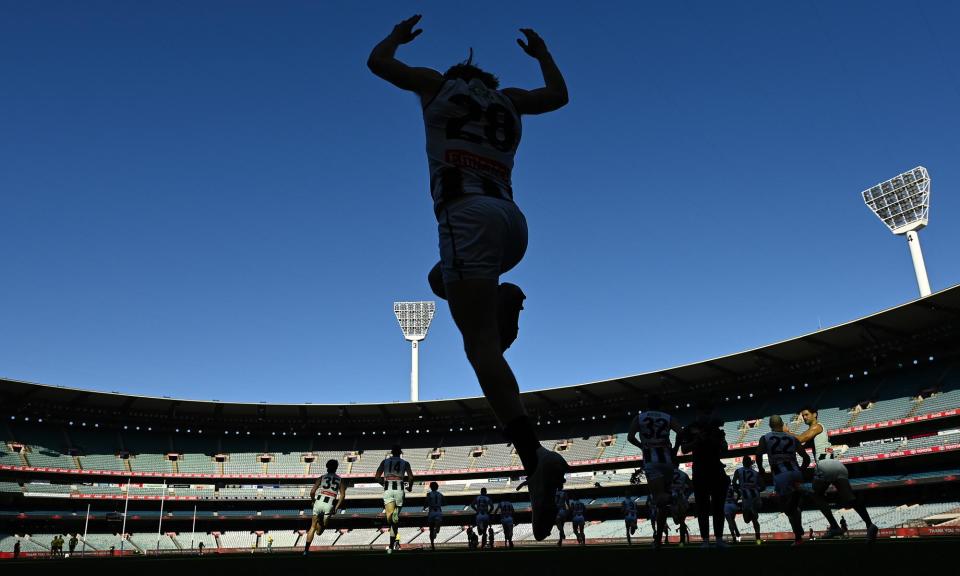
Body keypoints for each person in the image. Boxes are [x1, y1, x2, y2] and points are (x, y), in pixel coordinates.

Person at [367, 15, 570, 541]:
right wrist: (543, 53)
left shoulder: (438, 85)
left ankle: (534, 457)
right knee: (440, 279)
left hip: (465, 215)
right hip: (512, 223)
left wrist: (396, 36)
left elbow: (378, 64)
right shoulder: (511, 101)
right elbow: (558, 95)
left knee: (480, 351)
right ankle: (500, 295)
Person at [792, 406, 879, 542]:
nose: (804, 417)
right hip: (837, 465)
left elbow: (800, 439)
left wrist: (785, 432)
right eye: (802, 415)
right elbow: (802, 445)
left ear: (815, 415)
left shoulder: (816, 427)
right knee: (850, 499)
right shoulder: (817, 431)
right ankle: (870, 525)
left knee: (816, 494)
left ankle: (834, 526)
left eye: (806, 414)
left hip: (825, 465)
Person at [627, 395, 684, 547]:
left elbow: (630, 437)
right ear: (660, 406)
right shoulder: (668, 417)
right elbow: (681, 432)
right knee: (662, 503)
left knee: (659, 499)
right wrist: (675, 449)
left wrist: (642, 446)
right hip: (667, 461)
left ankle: (674, 500)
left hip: (651, 461)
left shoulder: (639, 418)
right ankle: (658, 539)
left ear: (647, 405)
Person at [679, 401, 729, 547]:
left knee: (718, 506)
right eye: (704, 412)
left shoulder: (716, 428)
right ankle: (705, 540)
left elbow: (725, 448)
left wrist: (718, 442)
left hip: (716, 468)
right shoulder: (690, 428)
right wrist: (697, 441)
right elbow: (684, 449)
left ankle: (719, 539)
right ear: (698, 413)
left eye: (709, 412)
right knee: (702, 506)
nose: (707, 415)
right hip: (700, 469)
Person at [756, 414, 810, 546]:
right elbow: (806, 458)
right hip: (796, 472)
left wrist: (761, 470)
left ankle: (798, 537)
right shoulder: (793, 438)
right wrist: (801, 469)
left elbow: (758, 455)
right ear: (782, 424)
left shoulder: (765, 438)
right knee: (796, 506)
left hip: (781, 475)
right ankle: (798, 529)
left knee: (787, 508)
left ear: (770, 426)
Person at [375, 445, 414, 553]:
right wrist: (410, 487)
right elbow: (411, 477)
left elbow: (377, 476)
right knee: (394, 522)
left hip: (388, 487)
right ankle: (391, 545)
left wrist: (383, 483)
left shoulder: (384, 462)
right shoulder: (405, 463)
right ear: (400, 453)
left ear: (392, 452)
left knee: (389, 519)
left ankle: (392, 517)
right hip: (400, 488)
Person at [304, 459, 347, 555]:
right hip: (329, 503)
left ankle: (306, 551)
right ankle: (321, 522)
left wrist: (313, 501)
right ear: (336, 468)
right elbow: (343, 495)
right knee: (319, 532)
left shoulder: (321, 477)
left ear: (327, 467)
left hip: (319, 501)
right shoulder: (340, 480)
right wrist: (336, 507)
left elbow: (312, 492)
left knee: (312, 527)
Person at [732, 455, 763, 544]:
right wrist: (756, 489)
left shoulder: (738, 471)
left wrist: (738, 492)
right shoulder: (755, 473)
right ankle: (758, 539)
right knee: (754, 520)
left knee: (746, 520)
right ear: (750, 463)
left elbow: (734, 483)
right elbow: (763, 486)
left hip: (745, 495)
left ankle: (751, 512)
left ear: (743, 463)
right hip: (755, 495)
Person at [668, 466, 692, 546]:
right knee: (680, 521)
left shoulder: (667, 474)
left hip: (672, 499)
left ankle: (682, 540)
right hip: (681, 498)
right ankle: (682, 541)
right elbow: (691, 486)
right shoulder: (683, 474)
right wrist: (686, 495)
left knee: (678, 521)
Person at [424, 481, 445, 550]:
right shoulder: (440, 494)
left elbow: (426, 502)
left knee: (431, 529)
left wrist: (425, 507)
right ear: (437, 487)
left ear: (430, 487)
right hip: (438, 511)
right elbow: (445, 502)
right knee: (437, 527)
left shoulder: (428, 494)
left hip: (431, 511)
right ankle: (437, 529)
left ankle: (432, 545)